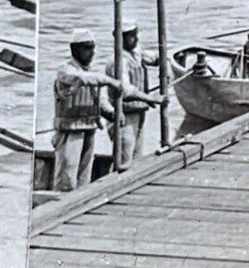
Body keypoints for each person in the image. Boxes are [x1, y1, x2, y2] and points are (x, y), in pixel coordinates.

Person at [51, 32, 127, 194]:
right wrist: (110, 81)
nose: (92, 53)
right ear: (74, 49)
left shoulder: (93, 73)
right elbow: (83, 79)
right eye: (87, 48)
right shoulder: (66, 71)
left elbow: (99, 102)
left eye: (93, 48)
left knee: (83, 179)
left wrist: (112, 113)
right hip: (70, 131)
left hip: (89, 129)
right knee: (67, 178)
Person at [111, 21, 165, 169]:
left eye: (136, 35)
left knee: (136, 157)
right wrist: (151, 99)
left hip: (138, 112)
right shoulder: (118, 60)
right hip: (124, 117)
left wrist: (166, 60)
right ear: (120, 38)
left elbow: (155, 58)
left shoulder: (136, 55)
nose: (136, 39)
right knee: (124, 158)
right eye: (131, 36)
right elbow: (126, 90)